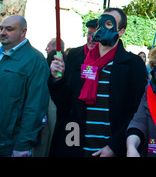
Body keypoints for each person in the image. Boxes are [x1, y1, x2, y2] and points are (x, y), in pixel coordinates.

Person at [48, 8, 148, 156]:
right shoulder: (80, 60)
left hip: (108, 149)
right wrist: (57, 80)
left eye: (108, 23)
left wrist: (115, 146)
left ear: (120, 32)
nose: (101, 28)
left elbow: (136, 112)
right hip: (76, 146)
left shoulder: (133, 65)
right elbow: (66, 104)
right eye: (100, 23)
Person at [0, 15, 50, 157]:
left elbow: (35, 105)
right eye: (1, 28)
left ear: (23, 32)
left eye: (9, 29)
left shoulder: (35, 60)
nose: (3, 32)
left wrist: (23, 144)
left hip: (10, 144)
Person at [47, 19, 97, 157]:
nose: (91, 38)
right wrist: (57, 79)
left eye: (95, 34)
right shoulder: (75, 54)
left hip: (96, 126)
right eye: (88, 33)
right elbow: (63, 95)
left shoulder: (109, 60)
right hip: (72, 124)